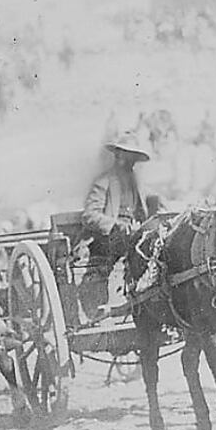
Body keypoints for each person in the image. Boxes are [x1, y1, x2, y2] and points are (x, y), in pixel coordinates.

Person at [80, 132, 150, 321]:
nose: (132, 162)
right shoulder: (104, 181)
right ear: (118, 155)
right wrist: (115, 225)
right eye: (129, 156)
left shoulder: (136, 182)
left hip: (132, 236)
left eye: (134, 157)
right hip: (106, 240)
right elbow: (89, 215)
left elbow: (143, 211)